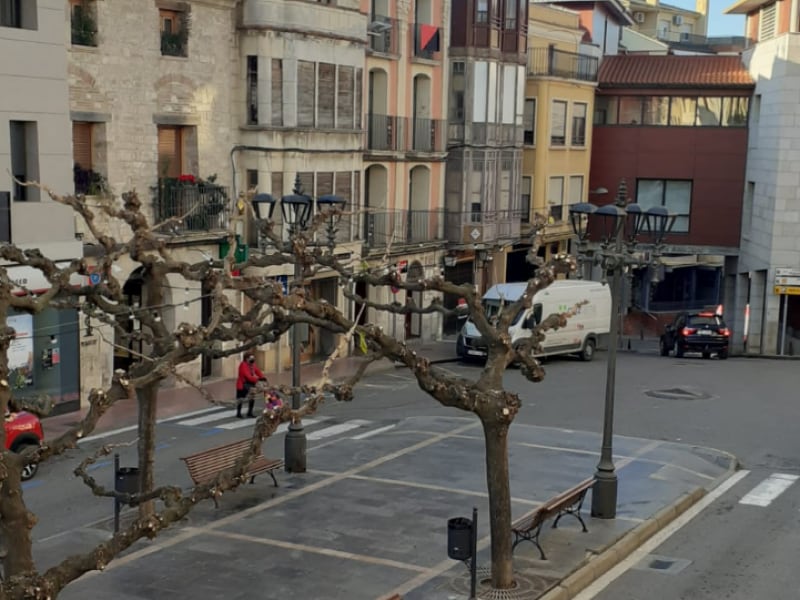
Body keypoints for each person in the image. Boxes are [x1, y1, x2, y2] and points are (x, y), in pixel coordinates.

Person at [236, 352, 266, 418]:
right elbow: (247, 376)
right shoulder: (243, 365)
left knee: (252, 398)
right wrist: (257, 379)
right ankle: (238, 413)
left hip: (250, 384)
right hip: (243, 384)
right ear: (246, 359)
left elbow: (258, 371)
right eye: (251, 358)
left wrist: (262, 377)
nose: (253, 359)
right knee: (241, 399)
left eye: (253, 358)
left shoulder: (252, 364)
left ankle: (250, 412)